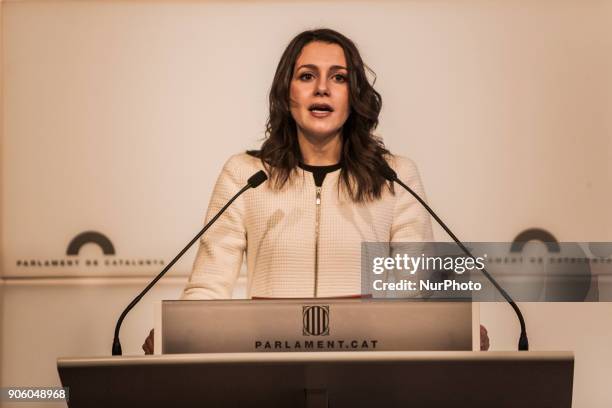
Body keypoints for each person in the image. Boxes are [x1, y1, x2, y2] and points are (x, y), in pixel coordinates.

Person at [143, 28, 488, 353]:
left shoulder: (394, 175)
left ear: (354, 94)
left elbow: (416, 291)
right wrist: (180, 330)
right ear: (286, 91)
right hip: (268, 367)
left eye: (338, 77)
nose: (322, 88)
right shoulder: (246, 174)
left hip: (370, 371)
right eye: (307, 76)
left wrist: (455, 324)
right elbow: (209, 286)